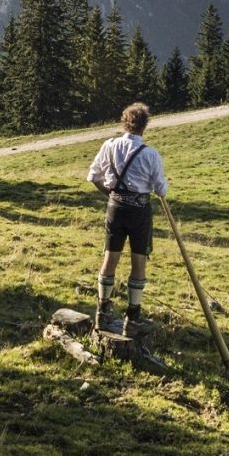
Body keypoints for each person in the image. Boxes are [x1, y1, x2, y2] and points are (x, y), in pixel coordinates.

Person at [87, 102, 168, 333]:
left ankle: (102, 313)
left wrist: (111, 194)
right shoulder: (150, 154)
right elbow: (161, 190)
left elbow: (93, 176)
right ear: (145, 126)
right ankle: (132, 317)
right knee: (138, 261)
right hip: (140, 211)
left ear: (124, 122)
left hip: (115, 207)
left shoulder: (109, 146)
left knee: (110, 257)